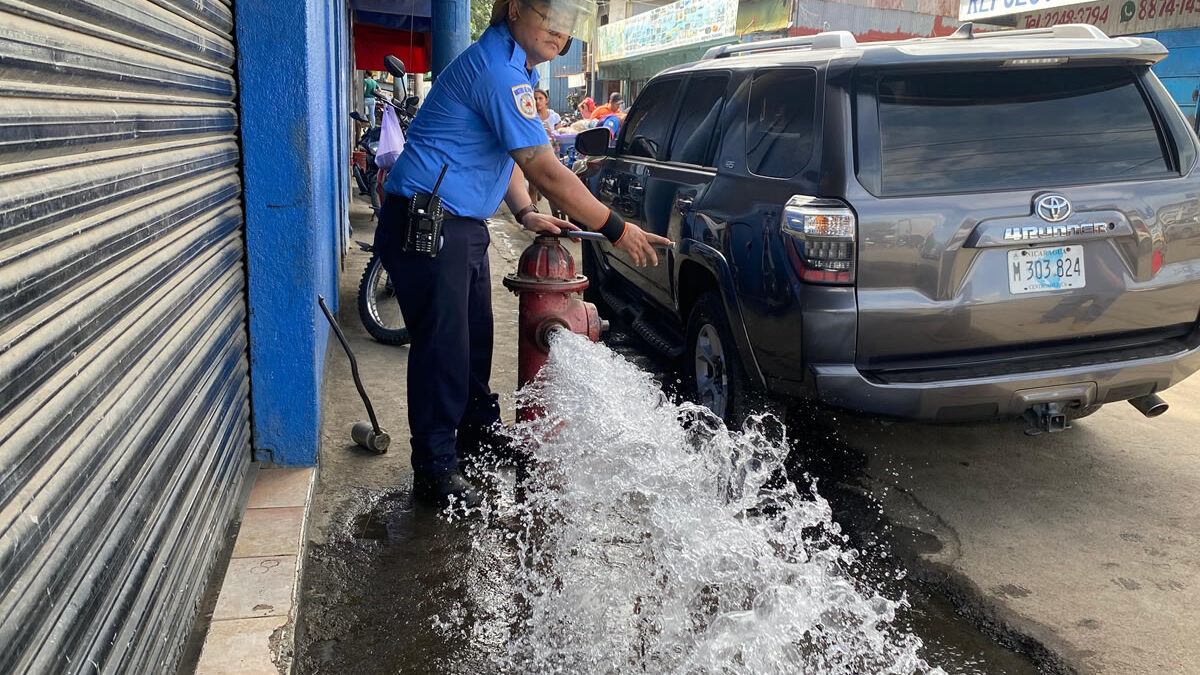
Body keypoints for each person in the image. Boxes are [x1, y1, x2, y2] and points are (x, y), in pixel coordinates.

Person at [375, 0, 671, 509]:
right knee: (443, 347)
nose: (562, 33)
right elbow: (541, 164)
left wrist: (525, 213)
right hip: (428, 223)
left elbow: (508, 155)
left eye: (571, 23)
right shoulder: (497, 71)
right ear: (513, 9)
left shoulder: (513, 67)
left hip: (458, 224)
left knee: (473, 339)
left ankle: (475, 432)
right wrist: (616, 228)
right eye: (551, 16)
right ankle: (435, 468)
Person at [527, 89, 560, 207]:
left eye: (540, 98)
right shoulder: (529, 116)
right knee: (532, 187)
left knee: (553, 188)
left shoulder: (554, 116)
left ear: (547, 100)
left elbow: (560, 134)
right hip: (534, 152)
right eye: (535, 99)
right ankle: (533, 216)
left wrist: (551, 131)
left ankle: (556, 215)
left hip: (551, 152)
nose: (537, 101)